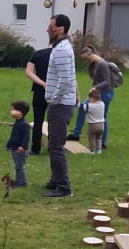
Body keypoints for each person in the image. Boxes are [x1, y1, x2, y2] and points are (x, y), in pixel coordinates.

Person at [43, 14, 77, 198]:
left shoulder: (62, 50)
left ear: (61, 29)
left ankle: (64, 187)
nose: (48, 29)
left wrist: (54, 99)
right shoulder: (60, 48)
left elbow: (65, 81)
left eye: (51, 26)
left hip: (60, 104)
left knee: (56, 146)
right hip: (59, 104)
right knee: (53, 144)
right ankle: (55, 180)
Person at [67, 45, 114, 148]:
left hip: (105, 93)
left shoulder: (102, 64)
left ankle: (103, 142)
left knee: (102, 117)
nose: (86, 61)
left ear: (90, 55)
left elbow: (107, 81)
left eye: (86, 59)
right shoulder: (96, 63)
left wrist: (95, 87)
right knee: (83, 108)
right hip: (97, 93)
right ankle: (76, 134)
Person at [25, 44, 52, 154]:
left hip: (39, 90)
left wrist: (41, 83)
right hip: (56, 90)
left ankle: (36, 148)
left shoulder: (37, 54)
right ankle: (53, 146)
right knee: (54, 120)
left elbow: (29, 72)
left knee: (38, 120)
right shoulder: (62, 55)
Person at [6, 100, 30, 188]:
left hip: (20, 150)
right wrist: (8, 145)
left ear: (20, 112)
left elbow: (26, 137)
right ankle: (18, 180)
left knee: (19, 167)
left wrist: (23, 146)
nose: (11, 112)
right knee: (17, 166)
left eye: (13, 110)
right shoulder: (17, 122)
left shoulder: (24, 124)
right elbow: (14, 136)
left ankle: (22, 182)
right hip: (15, 149)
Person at [82, 89, 105, 154]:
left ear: (92, 99)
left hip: (93, 125)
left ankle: (92, 150)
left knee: (91, 137)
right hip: (101, 125)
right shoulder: (102, 104)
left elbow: (82, 107)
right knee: (99, 138)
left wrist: (75, 102)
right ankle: (99, 150)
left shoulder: (90, 106)